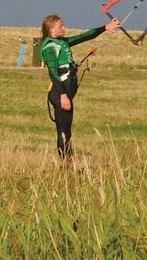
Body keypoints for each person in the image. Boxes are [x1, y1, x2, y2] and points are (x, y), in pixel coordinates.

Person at [38, 12, 117, 158]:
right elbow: (53, 73)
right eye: (61, 26)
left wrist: (105, 28)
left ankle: (68, 161)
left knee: (67, 131)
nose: (64, 28)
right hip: (60, 93)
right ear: (51, 29)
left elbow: (84, 36)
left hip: (65, 93)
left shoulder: (62, 42)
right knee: (63, 131)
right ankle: (65, 163)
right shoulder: (50, 46)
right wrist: (63, 95)